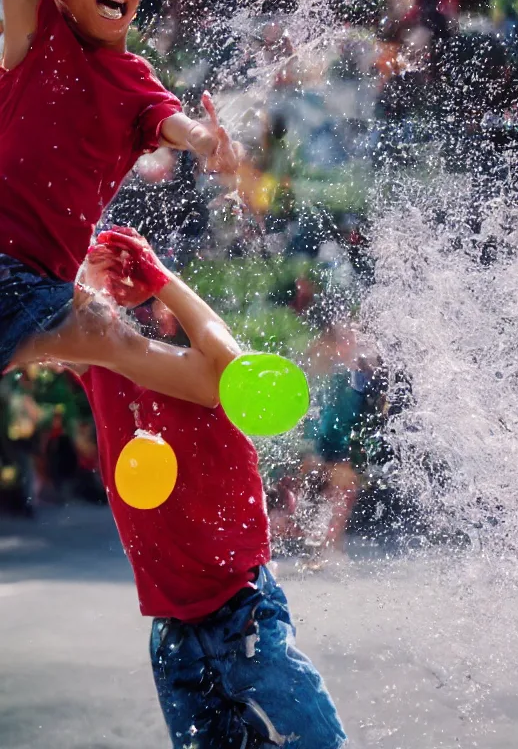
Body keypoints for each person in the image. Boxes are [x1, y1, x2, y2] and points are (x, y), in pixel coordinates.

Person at [76, 226, 347, 749]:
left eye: (163, 302)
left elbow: (223, 360)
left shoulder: (208, 377)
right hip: (174, 630)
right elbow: (61, 314)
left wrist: (157, 274)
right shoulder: (104, 364)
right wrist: (97, 273)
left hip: (242, 613)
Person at [0, 0, 239, 406]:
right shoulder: (36, 37)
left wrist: (208, 142)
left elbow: (175, 125)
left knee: (211, 385)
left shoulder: (135, 81)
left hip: (47, 295)